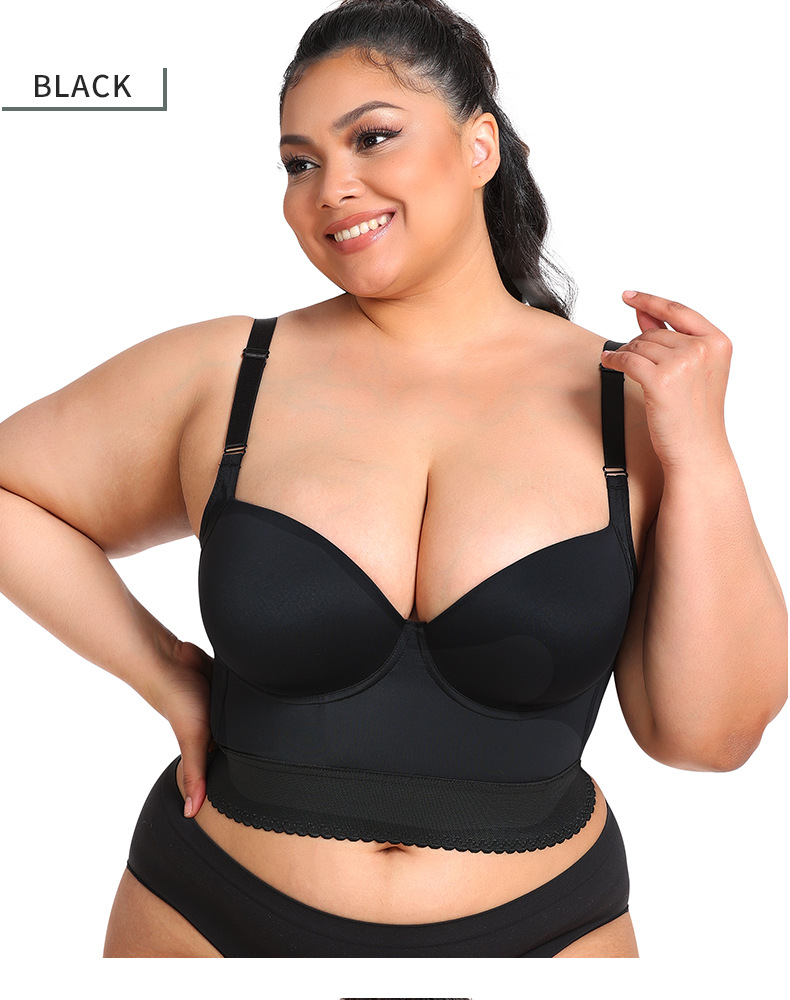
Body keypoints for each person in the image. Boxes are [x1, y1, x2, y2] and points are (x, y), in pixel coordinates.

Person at [0, 0, 785, 959]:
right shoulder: (226, 373)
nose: (332, 187)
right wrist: (165, 673)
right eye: (299, 163)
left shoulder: (636, 403)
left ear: (479, 146)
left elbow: (708, 740)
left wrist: (701, 450)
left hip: (545, 933)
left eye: (372, 137)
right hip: (205, 916)